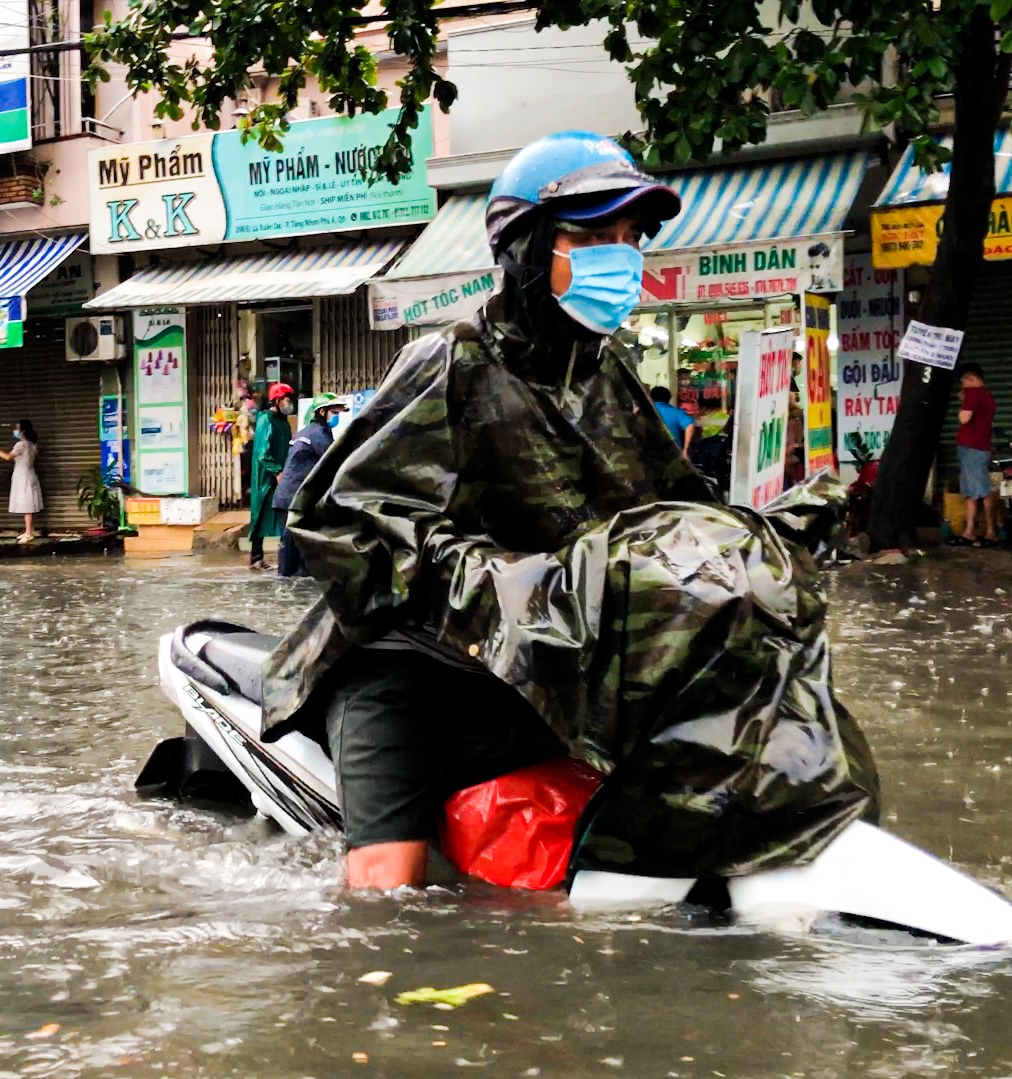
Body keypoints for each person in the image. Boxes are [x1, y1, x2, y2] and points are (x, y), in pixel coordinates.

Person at [261, 131, 878, 891]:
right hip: (409, 672)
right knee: (391, 898)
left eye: (630, 238)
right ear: (526, 249)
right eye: (589, 237)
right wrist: (502, 583)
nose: (619, 257)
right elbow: (343, 523)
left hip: (540, 670)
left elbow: (674, 516)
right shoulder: (451, 361)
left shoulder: (607, 376)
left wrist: (761, 539)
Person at [272, 393, 350, 577]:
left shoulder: (306, 432)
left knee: (294, 547)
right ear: (322, 412)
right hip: (294, 498)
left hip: (290, 496)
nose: (337, 417)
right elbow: (334, 460)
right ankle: (288, 585)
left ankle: (290, 584)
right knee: (292, 549)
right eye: (334, 412)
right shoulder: (318, 434)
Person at [247, 382, 294, 570]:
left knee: (282, 513)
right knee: (260, 514)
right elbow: (262, 452)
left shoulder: (283, 422)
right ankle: (256, 557)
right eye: (286, 400)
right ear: (276, 400)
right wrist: (277, 471)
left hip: (282, 473)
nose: (288, 404)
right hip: (266, 477)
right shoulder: (266, 420)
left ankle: (284, 555)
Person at [956, 364, 997, 546]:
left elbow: (964, 418)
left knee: (980, 491)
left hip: (972, 448)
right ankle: (970, 531)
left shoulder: (973, 393)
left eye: (963, 382)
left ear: (969, 378)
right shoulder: (987, 395)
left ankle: (989, 531)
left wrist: (963, 404)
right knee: (973, 491)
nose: (962, 386)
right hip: (979, 447)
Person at [0, 418, 43, 543]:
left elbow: (7, 457)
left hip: (23, 476)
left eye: (17, 428)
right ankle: (29, 530)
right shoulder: (32, 444)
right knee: (28, 504)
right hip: (30, 474)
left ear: (23, 431)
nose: (15, 430)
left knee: (27, 505)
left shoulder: (21, 444)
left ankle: (29, 533)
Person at [648, 386, 697, 459]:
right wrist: (685, 450)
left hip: (648, 454)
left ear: (650, 398)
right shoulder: (678, 413)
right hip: (671, 455)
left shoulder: (645, 411)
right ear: (669, 398)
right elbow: (690, 425)